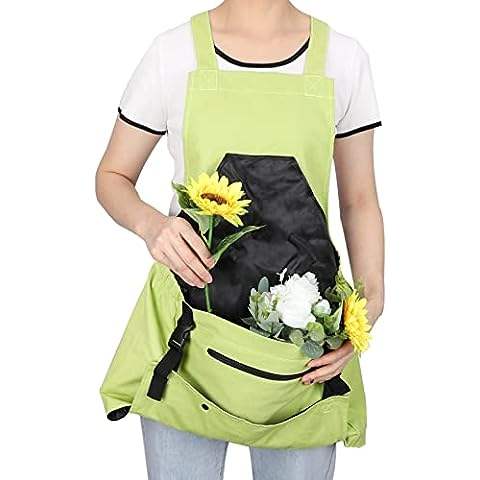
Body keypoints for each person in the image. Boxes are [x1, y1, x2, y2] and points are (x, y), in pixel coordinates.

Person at [96, 1, 384, 479]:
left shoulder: (343, 59)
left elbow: (358, 199)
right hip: (188, 341)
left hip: (301, 355)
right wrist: (153, 226)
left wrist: (369, 302)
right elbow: (112, 176)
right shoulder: (173, 53)